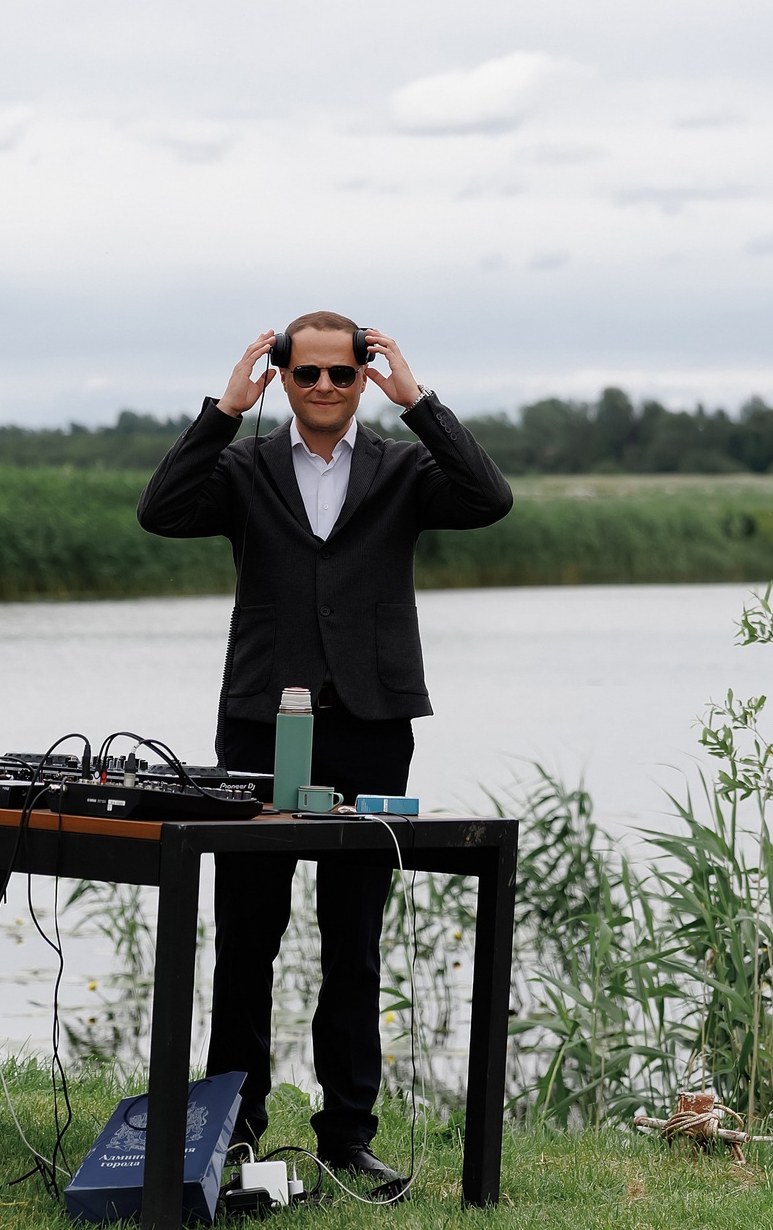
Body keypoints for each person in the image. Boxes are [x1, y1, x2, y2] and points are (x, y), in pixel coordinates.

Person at [135, 312, 513, 1194]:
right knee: (245, 937)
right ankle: (233, 1129)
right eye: (306, 374)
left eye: (342, 373)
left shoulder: (404, 466)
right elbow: (159, 511)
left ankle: (347, 1135)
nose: (325, 389)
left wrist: (418, 402)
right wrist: (223, 411)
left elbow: (490, 498)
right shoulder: (242, 466)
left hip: (371, 724)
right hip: (261, 725)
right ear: (281, 375)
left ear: (364, 373)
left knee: (354, 937)